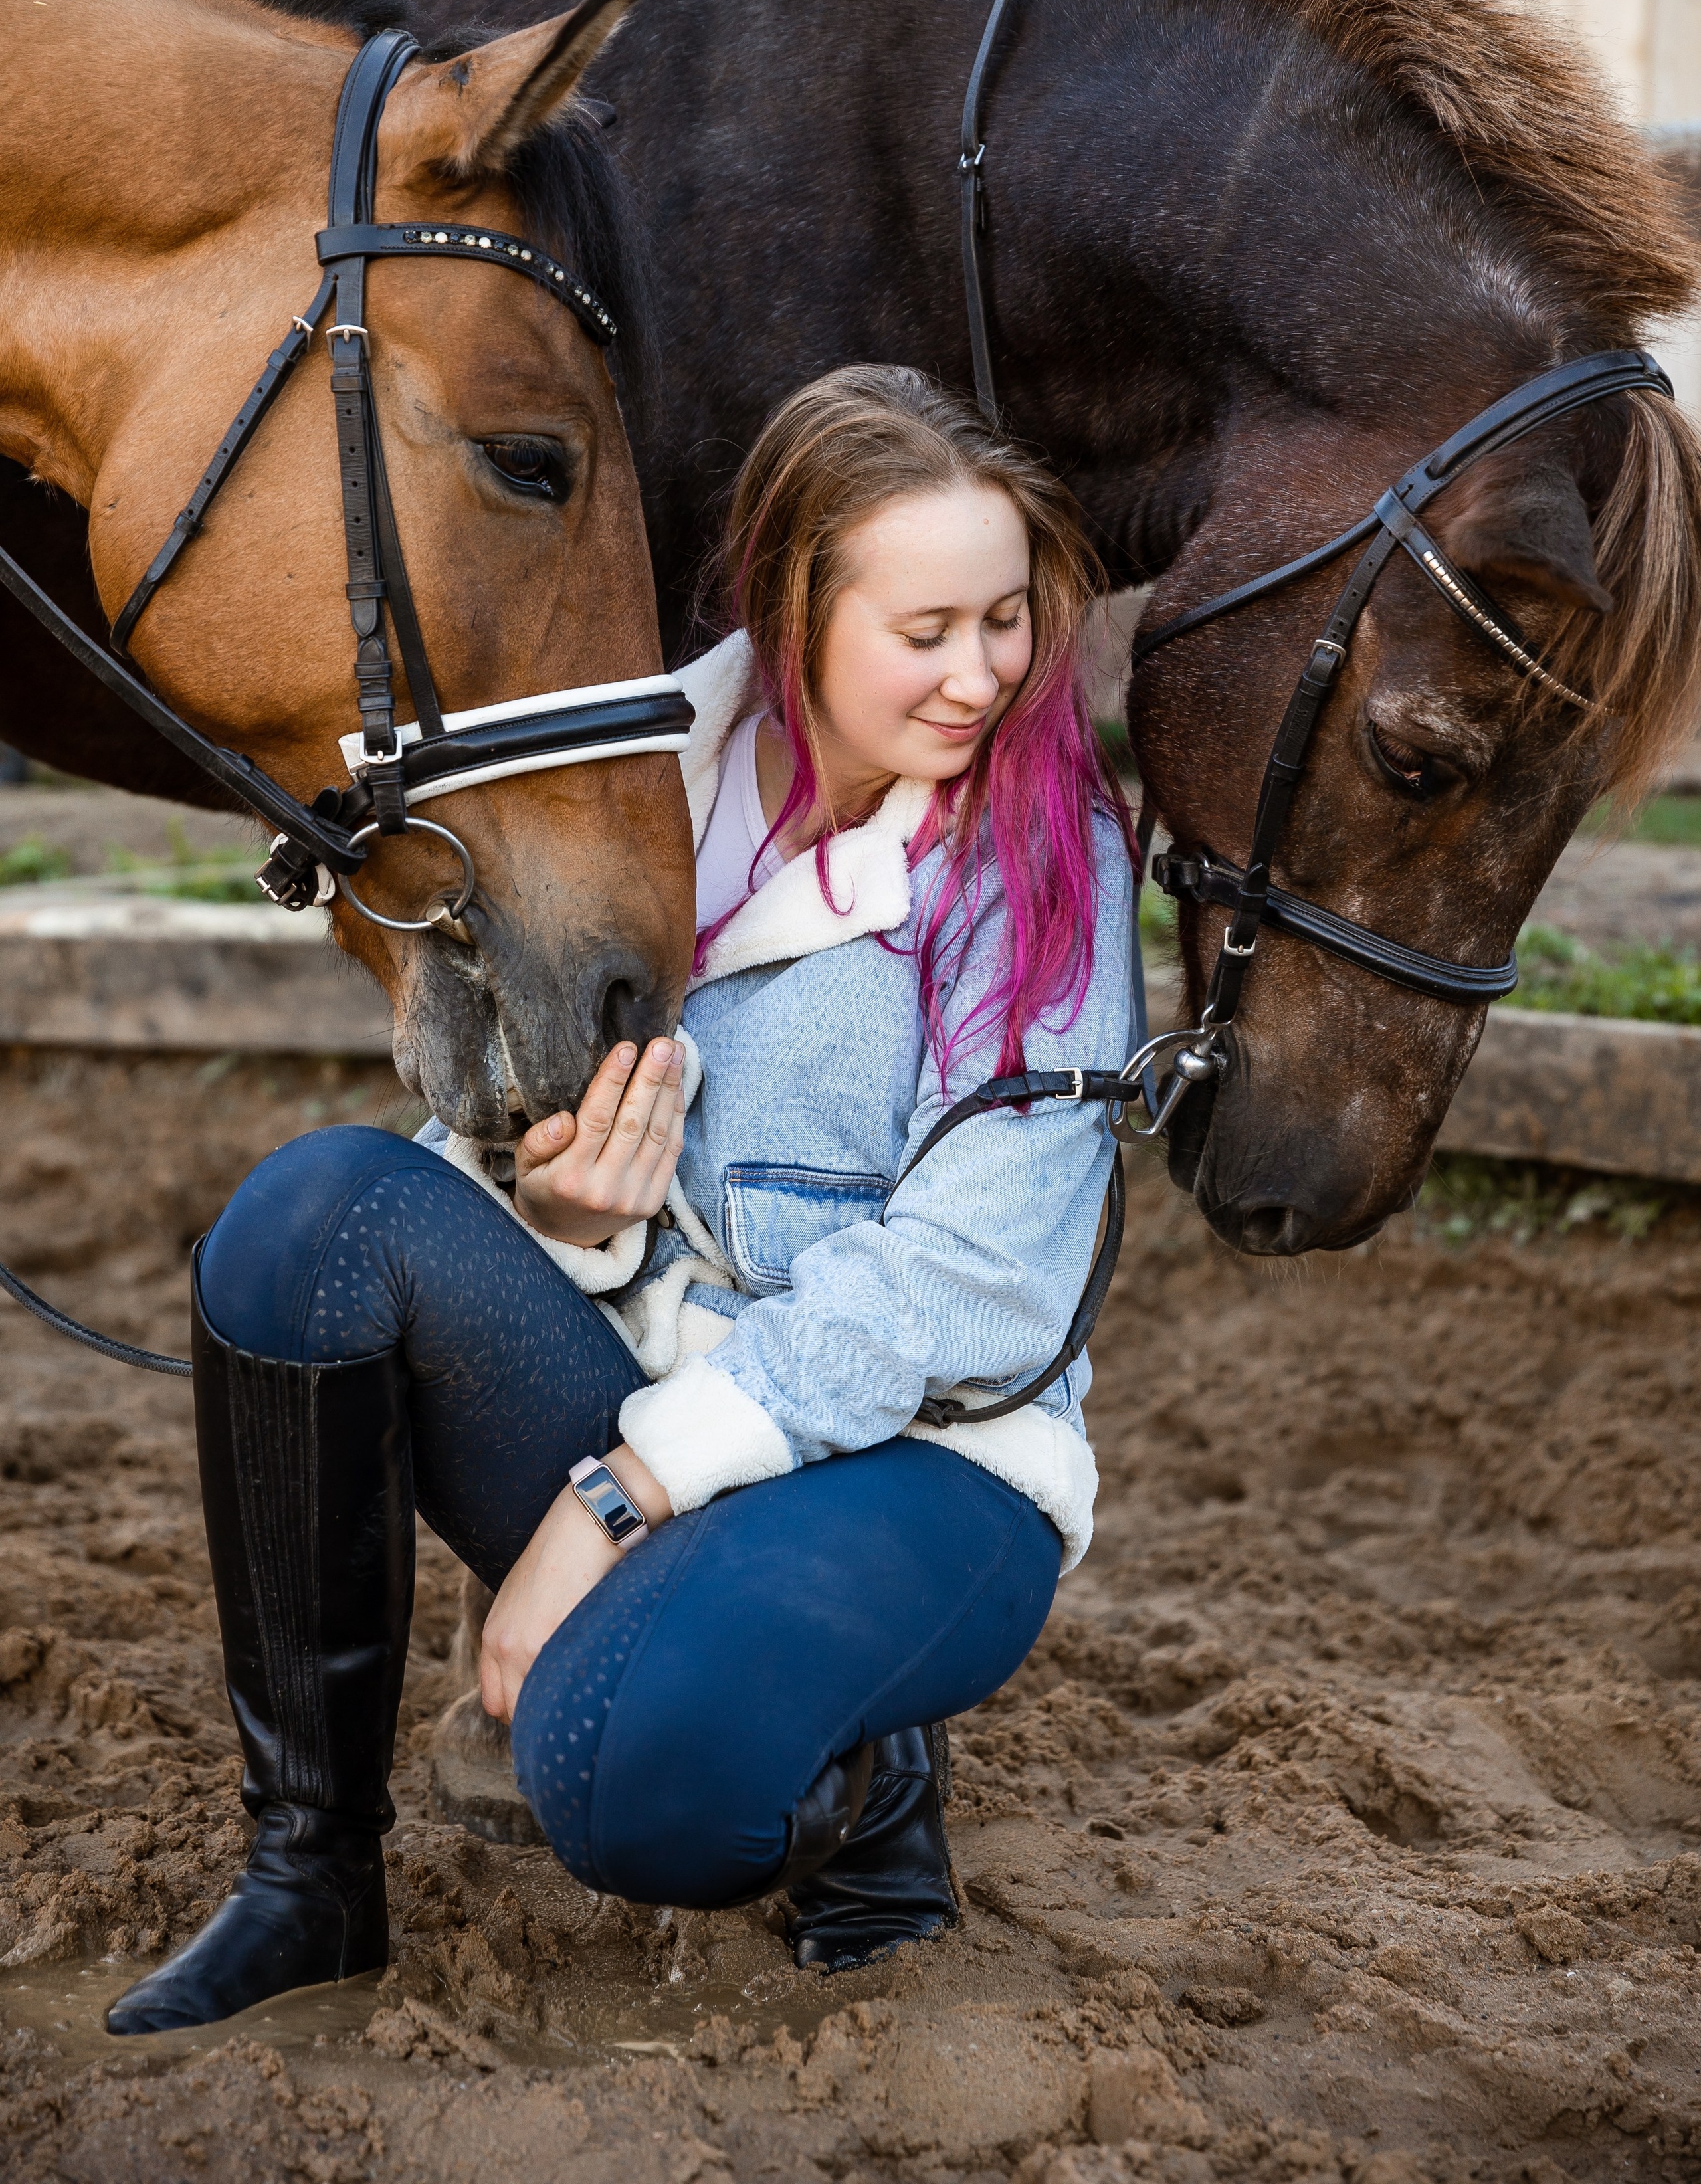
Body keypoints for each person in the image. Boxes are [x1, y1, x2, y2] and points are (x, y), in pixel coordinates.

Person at [107, 364, 1137, 2036]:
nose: (982, 676)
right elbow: (519, 1137)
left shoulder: (1041, 851)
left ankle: (868, 1792)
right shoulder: (641, 788)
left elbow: (981, 1275)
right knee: (309, 1228)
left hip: (922, 1459)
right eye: (927, 630)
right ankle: (308, 1880)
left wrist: (610, 1499)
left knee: (616, 1774)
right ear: (793, 611)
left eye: (1006, 620)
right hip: (645, 1390)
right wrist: (561, 1217)